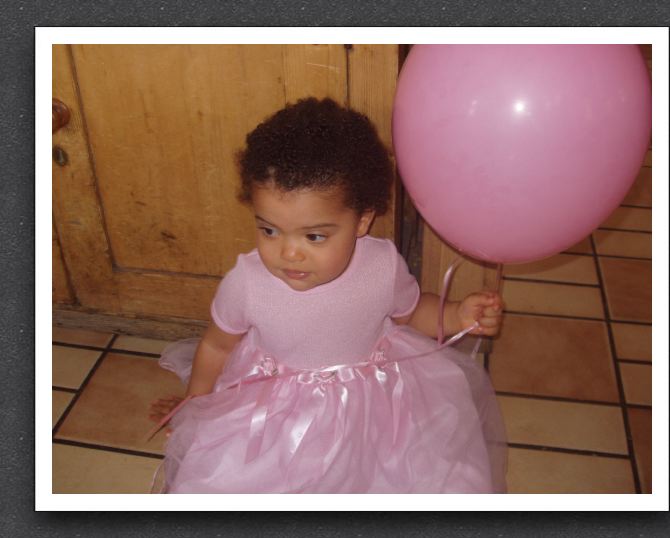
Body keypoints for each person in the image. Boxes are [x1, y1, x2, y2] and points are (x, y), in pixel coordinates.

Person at [149, 97, 507, 493]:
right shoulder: (247, 282)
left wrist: (457, 315)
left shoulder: (382, 264)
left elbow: (409, 312)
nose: (288, 252)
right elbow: (217, 347)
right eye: (269, 230)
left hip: (375, 410)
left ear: (362, 221)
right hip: (275, 417)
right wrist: (196, 407)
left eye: (314, 236)